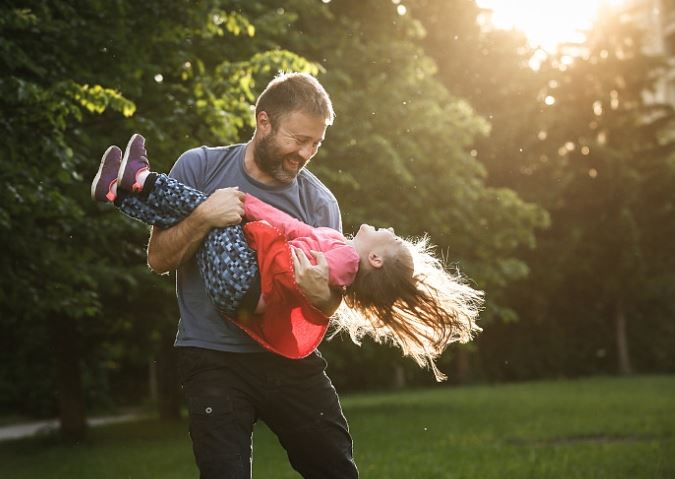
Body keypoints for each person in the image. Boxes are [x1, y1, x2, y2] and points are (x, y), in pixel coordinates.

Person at [92, 133, 483, 381]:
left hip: (245, 282)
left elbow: (299, 267)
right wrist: (252, 208)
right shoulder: (335, 243)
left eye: (391, 239)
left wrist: (250, 220)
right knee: (203, 212)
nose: (391, 230)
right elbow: (291, 228)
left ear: (375, 259)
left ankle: (141, 179)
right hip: (240, 286)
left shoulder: (344, 263)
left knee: (205, 207)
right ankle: (117, 191)